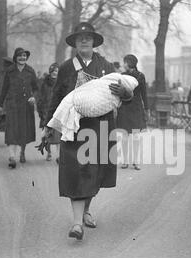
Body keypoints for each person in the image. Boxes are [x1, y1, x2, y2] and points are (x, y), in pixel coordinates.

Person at [44, 22, 133, 240]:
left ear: (94, 41)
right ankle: (76, 224)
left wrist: (125, 92)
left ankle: (85, 211)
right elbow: (56, 97)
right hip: (74, 129)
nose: (84, 40)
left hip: (101, 128)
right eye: (80, 37)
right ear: (74, 42)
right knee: (75, 171)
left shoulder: (106, 66)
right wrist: (48, 125)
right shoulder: (66, 68)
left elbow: (125, 97)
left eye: (88, 37)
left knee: (96, 173)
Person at [0, 47, 38, 168]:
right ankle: (12, 157)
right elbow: (4, 89)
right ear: (15, 58)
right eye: (20, 56)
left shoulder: (30, 71)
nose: (22, 58)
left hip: (26, 106)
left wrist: (34, 97)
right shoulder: (9, 71)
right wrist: (0, 105)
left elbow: (36, 88)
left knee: (23, 131)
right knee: (11, 131)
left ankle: (22, 152)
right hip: (12, 105)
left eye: (24, 56)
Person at [117, 54, 148, 170]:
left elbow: (144, 93)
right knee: (124, 136)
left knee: (135, 136)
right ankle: (125, 161)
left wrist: (147, 109)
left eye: (124, 62)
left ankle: (135, 161)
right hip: (124, 108)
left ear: (130, 63)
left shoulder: (140, 76)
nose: (123, 64)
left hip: (136, 108)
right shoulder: (121, 76)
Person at [36, 62, 60, 162]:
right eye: (53, 71)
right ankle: (49, 153)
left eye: (57, 71)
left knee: (59, 135)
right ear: (50, 72)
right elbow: (40, 98)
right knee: (47, 135)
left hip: (58, 112)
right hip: (46, 112)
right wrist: (41, 112)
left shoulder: (61, 83)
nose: (55, 73)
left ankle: (59, 155)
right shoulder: (44, 84)